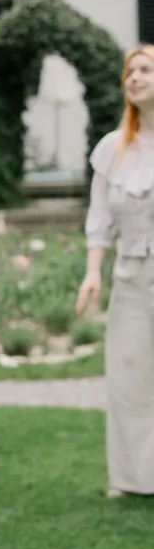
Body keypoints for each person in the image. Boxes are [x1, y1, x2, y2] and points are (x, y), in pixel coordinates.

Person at [77, 44, 154, 498]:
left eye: (146, 69)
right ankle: (131, 478)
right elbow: (99, 220)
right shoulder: (112, 150)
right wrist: (93, 273)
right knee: (128, 377)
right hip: (130, 276)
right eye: (131, 71)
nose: (136, 77)